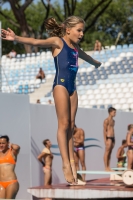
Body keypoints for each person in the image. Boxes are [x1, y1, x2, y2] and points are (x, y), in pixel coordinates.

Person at [1, 16, 101, 185]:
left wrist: (96, 63)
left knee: (71, 125)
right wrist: (16, 38)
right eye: (79, 30)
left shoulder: (76, 47)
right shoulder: (58, 42)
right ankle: (65, 164)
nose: (82, 33)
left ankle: (72, 163)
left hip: (72, 89)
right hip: (60, 86)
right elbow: (36, 41)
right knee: (63, 125)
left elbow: (85, 56)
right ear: (68, 30)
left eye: (82, 30)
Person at [0, 135, 20, 199]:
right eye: (0, 143)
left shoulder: (12, 152)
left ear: (8, 143)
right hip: (1, 183)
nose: (1, 145)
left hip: (11, 182)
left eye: (3, 143)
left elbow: (17, 147)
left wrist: (11, 144)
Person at [103, 107, 116, 171]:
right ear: (110, 112)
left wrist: (114, 138)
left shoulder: (113, 121)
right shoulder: (106, 120)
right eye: (114, 112)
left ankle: (108, 166)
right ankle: (106, 167)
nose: (115, 113)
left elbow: (113, 130)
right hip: (108, 137)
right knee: (107, 152)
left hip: (112, 137)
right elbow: (104, 131)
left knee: (110, 152)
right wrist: (105, 140)